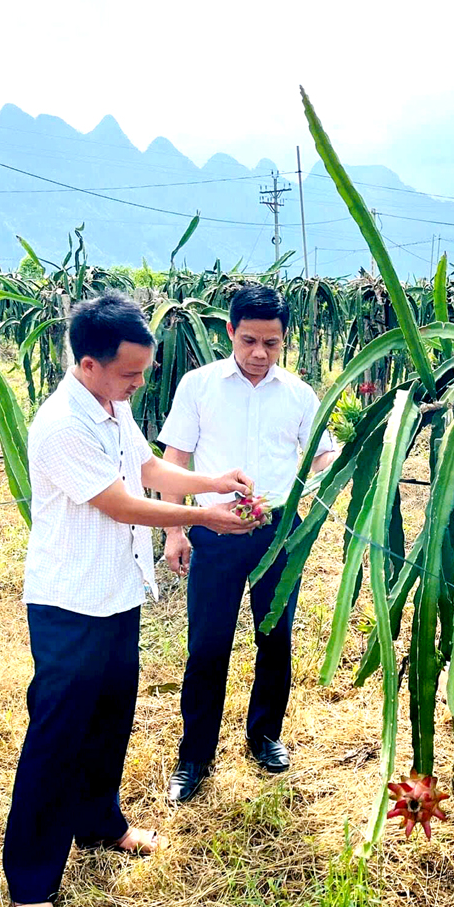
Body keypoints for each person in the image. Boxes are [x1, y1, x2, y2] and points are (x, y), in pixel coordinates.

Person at [5, 291, 256, 907]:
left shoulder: (111, 408)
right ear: (86, 363)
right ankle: (30, 884)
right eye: (129, 373)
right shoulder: (61, 423)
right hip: (70, 602)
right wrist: (206, 520)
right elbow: (120, 503)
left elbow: (146, 468)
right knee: (57, 735)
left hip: (117, 591)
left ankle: (98, 822)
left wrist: (213, 480)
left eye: (142, 372)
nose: (139, 384)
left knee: (111, 717)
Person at [158, 283, 337, 802]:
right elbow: (176, 459)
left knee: (274, 637)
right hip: (215, 528)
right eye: (250, 340)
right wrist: (176, 528)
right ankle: (195, 755)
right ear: (230, 332)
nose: (260, 353)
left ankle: (265, 736)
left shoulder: (300, 395)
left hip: (279, 530)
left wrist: (328, 487)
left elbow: (322, 458)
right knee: (208, 643)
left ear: (285, 341)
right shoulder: (199, 386)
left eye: (273, 343)